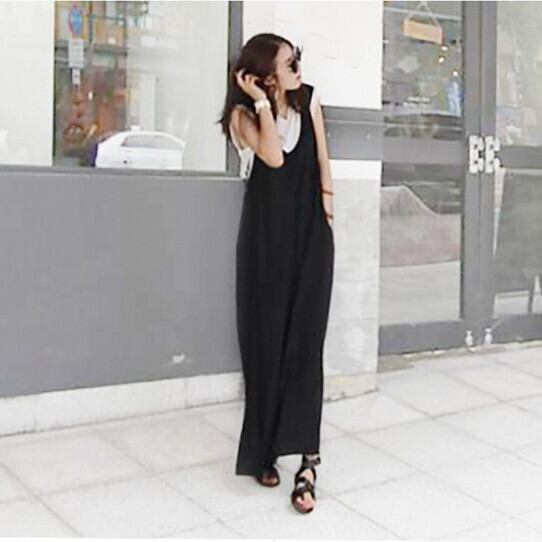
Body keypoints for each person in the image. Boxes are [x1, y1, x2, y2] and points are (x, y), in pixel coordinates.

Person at [218, 33, 334, 514]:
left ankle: (308, 463)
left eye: (297, 61)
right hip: (265, 243)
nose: (297, 70)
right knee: (265, 344)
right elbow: (273, 157)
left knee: (306, 344)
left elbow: (321, 158)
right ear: (264, 75)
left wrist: (328, 214)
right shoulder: (242, 117)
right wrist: (263, 103)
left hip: (309, 235)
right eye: (289, 64)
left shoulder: (310, 101)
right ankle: (263, 450)